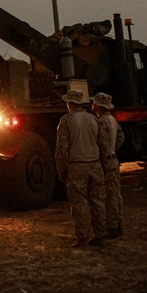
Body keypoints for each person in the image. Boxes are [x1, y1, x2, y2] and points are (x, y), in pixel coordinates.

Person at [55, 90, 107, 248]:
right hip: (95, 163)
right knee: (98, 201)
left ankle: (83, 237)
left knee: (80, 203)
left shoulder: (66, 120)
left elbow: (61, 148)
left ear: (69, 103)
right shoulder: (93, 119)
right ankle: (100, 235)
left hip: (77, 165)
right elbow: (103, 144)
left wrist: (61, 170)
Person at [92, 92, 125, 239]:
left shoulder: (101, 122)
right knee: (116, 193)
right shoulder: (113, 120)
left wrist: (104, 157)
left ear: (99, 106)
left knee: (109, 194)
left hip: (106, 160)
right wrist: (114, 149)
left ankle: (112, 226)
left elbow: (102, 143)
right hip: (114, 158)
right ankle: (118, 223)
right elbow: (120, 138)